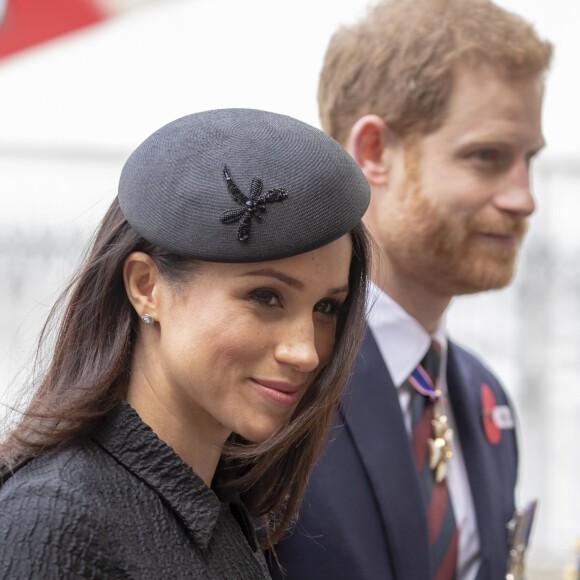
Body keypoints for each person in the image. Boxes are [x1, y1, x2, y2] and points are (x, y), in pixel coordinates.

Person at [0, 108, 372, 579]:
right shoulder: (53, 525)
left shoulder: (221, 510)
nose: (306, 352)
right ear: (145, 287)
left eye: (325, 308)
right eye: (265, 296)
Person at [270, 0, 553, 579]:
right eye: (487, 157)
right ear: (374, 152)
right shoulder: (276, 382)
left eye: (528, 160)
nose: (523, 197)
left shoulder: (482, 397)